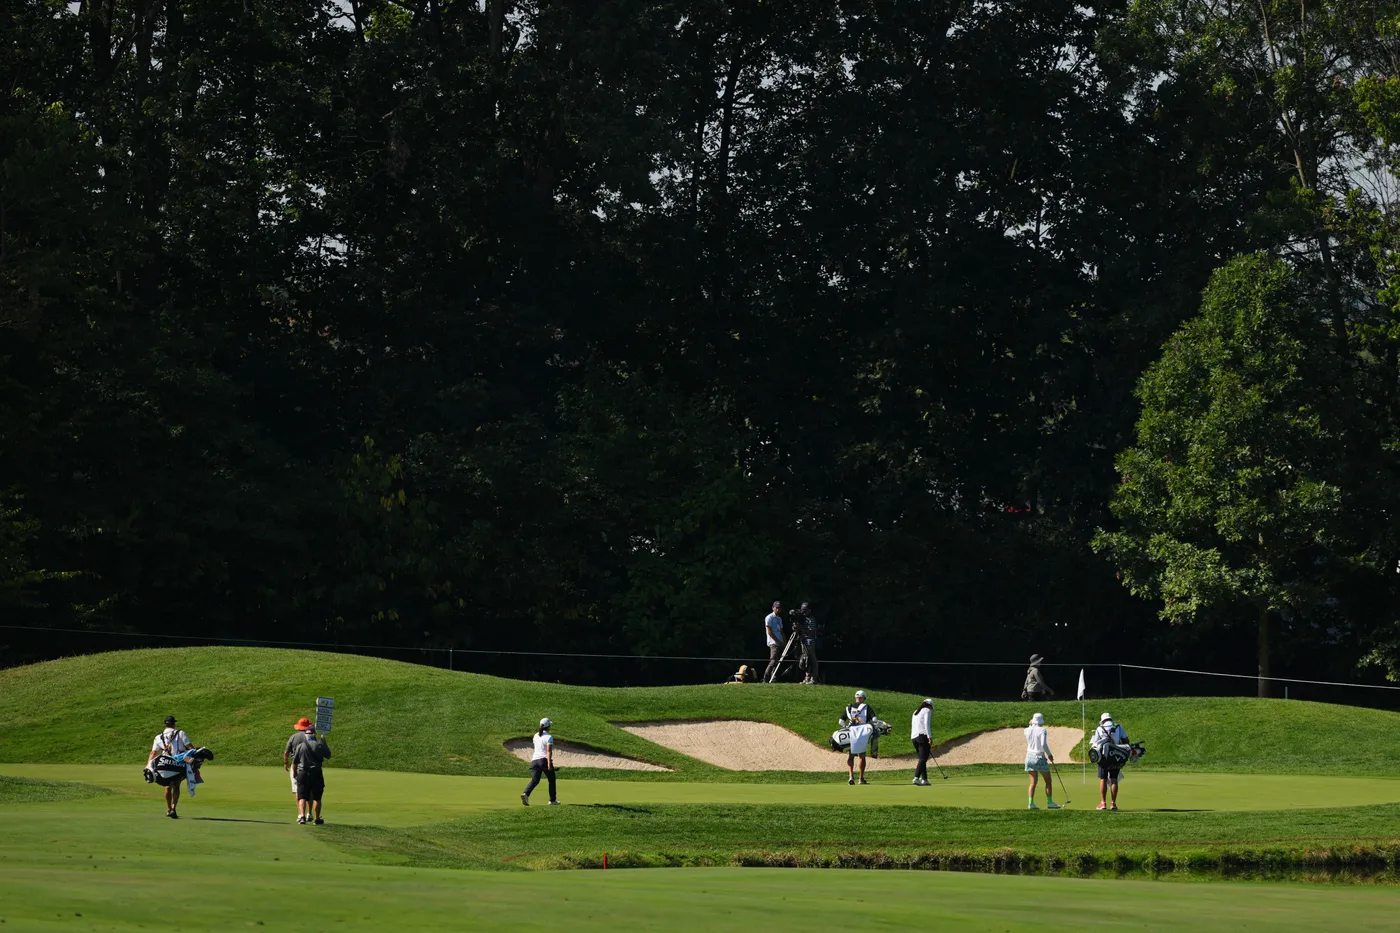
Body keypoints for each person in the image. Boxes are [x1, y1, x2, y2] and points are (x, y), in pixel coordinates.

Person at [148, 715, 193, 819]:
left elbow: (153, 753)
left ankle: (168, 809)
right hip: (178, 764)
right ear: (174, 724)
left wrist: (148, 766)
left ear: (165, 725)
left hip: (164, 764)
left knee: (167, 786)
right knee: (176, 786)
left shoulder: (158, 737)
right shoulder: (181, 733)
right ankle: (173, 808)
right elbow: (190, 748)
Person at [290, 724, 331, 825]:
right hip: (316, 773)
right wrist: (324, 742)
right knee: (317, 797)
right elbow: (328, 755)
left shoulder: (300, 746)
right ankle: (317, 819)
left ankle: (302, 816)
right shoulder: (319, 745)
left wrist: (295, 773)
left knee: (302, 796)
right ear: (314, 735)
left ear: (306, 735)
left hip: (302, 773)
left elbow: (295, 762)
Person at [1091, 712, 1130, 811]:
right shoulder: (1119, 727)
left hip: (1103, 758)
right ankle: (1113, 804)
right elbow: (1126, 741)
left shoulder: (1099, 729)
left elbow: (1095, 743)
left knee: (1103, 779)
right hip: (1116, 756)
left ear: (1102, 721)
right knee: (1114, 779)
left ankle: (1103, 803)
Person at [1023, 712, 1061, 810]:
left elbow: (1029, 728)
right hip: (1039, 757)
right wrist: (1049, 755)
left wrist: (1030, 724)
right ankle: (1050, 802)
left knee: (1032, 783)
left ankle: (1031, 804)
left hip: (1029, 757)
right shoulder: (1042, 730)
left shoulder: (1026, 730)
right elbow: (1044, 744)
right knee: (1048, 781)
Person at [521, 718, 559, 806]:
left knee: (535, 780)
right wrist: (549, 763)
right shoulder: (549, 737)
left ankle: (526, 794)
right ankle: (552, 800)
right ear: (548, 727)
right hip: (544, 760)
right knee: (552, 779)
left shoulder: (536, 735)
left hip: (534, 761)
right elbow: (548, 751)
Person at [844, 690, 875, 785]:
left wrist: (846, 727)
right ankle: (861, 779)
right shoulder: (866, 707)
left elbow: (841, 721)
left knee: (851, 756)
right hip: (862, 733)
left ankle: (851, 777)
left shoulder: (849, 707)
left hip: (851, 732)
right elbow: (874, 719)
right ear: (862, 698)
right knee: (862, 756)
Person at [284, 717, 313, 816]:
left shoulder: (293, 737)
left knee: (297, 790)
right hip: (309, 765)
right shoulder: (311, 737)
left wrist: (285, 763)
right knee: (309, 789)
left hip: (295, 765)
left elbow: (286, 752)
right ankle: (309, 812)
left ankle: (301, 814)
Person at [795, 601, 820, 684]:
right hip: (803, 641)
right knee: (805, 660)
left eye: (805, 610)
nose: (804, 612)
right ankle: (807, 678)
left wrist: (801, 628)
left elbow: (811, 632)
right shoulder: (803, 619)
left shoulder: (811, 619)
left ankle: (813, 678)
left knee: (812, 660)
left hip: (810, 642)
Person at [910, 698, 934, 786]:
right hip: (922, 736)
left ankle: (924, 779)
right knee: (923, 758)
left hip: (914, 737)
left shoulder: (915, 712)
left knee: (922, 759)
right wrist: (929, 737)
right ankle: (916, 778)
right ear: (929, 705)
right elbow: (926, 724)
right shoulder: (927, 710)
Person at [763, 601, 785, 683]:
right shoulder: (769, 617)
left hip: (780, 642)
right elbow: (769, 632)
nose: (778, 609)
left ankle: (773, 678)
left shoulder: (779, 619)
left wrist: (784, 641)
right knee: (773, 661)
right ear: (773, 608)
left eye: (779, 608)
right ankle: (765, 678)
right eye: (776, 608)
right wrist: (778, 641)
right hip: (773, 643)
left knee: (777, 661)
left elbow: (781, 631)